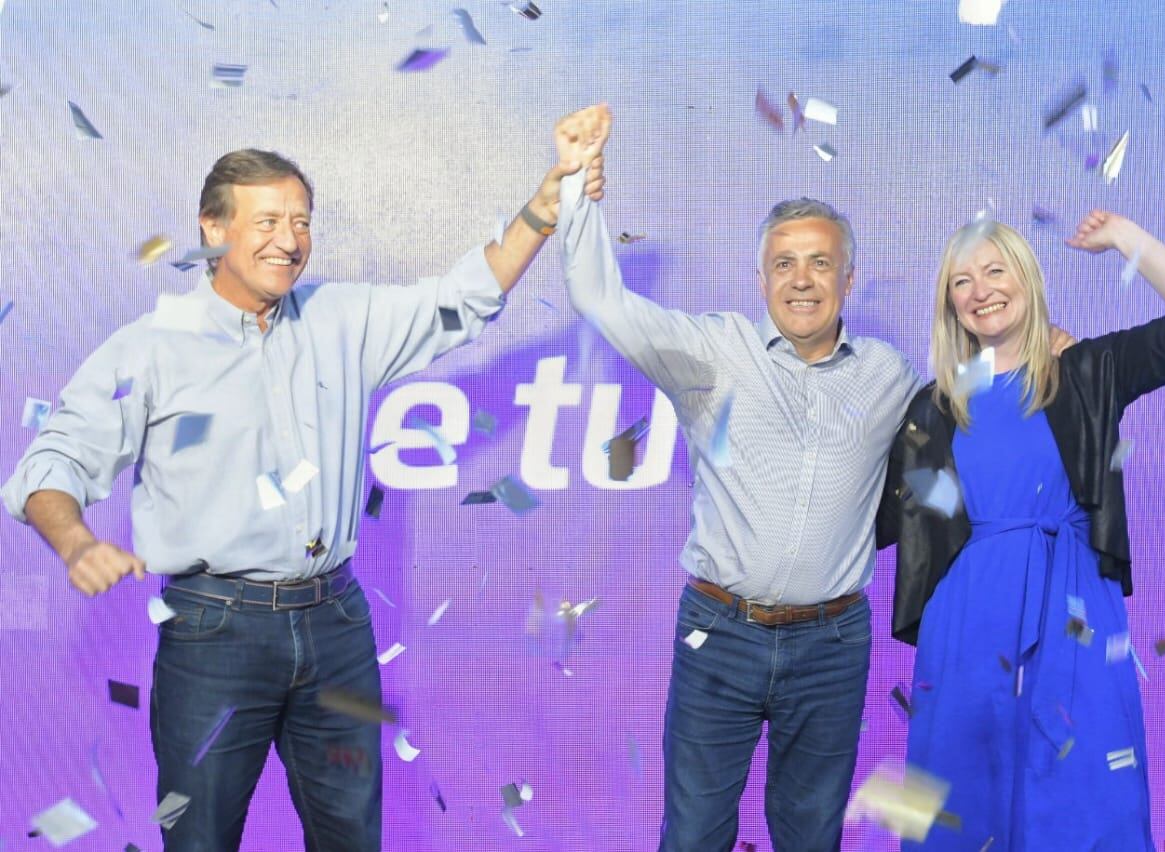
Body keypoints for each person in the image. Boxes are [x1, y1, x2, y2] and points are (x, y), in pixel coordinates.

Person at [2, 107, 606, 851]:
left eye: (302, 221)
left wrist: (543, 208)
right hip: (212, 633)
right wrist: (75, 544)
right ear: (213, 230)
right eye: (267, 221)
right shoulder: (151, 349)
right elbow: (49, 465)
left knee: (353, 834)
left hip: (337, 626)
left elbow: (464, 300)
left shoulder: (341, 320)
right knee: (198, 838)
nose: (290, 241)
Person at [554, 106, 921, 851]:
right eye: (784, 263)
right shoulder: (711, 353)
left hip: (834, 643)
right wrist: (573, 191)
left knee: (812, 835)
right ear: (761, 277)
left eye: (820, 262)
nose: (802, 280)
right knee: (693, 834)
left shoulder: (890, 375)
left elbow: (975, 425)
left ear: (849, 277)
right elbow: (601, 300)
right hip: (717, 633)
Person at [878, 211, 1165, 850]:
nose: (981, 289)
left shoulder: (1088, 371)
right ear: (949, 303)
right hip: (963, 626)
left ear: (1027, 279)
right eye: (963, 281)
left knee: (1085, 792)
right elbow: (876, 516)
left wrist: (1127, 237)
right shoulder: (930, 410)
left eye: (995, 270)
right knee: (962, 802)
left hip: (1073, 614)